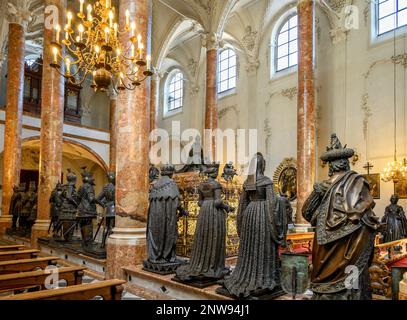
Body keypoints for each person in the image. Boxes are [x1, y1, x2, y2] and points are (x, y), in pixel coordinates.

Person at [302, 134, 380, 300]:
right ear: (347, 164)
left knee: (327, 285)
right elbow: (367, 215)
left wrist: (319, 203)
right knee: (353, 279)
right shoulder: (357, 181)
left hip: (325, 250)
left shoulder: (322, 186)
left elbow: (306, 212)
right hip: (351, 246)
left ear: (331, 167)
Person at [220, 153, 289, 298]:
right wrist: (282, 201)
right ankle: (264, 277)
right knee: (263, 244)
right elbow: (272, 203)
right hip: (263, 216)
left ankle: (247, 274)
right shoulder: (266, 181)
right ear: (262, 165)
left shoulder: (247, 182)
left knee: (250, 245)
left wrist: (241, 223)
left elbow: (242, 205)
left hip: (249, 214)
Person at [176, 163, 234, 283]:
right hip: (214, 212)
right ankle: (212, 265)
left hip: (204, 212)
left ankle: (201, 262)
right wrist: (227, 207)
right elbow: (218, 202)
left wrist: (206, 205)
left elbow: (199, 202)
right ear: (215, 173)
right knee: (214, 237)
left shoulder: (202, 185)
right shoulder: (215, 184)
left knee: (203, 237)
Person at [144, 164, 187, 273]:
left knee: (157, 234)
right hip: (167, 217)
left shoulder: (155, 185)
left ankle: (155, 256)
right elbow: (177, 203)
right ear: (171, 173)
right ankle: (167, 256)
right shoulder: (171, 184)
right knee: (168, 233)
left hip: (155, 217)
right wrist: (183, 211)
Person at [96, 172, 116, 248]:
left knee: (106, 227)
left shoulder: (106, 187)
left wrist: (104, 205)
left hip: (107, 208)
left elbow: (97, 199)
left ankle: (102, 244)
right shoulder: (115, 187)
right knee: (111, 227)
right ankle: (111, 245)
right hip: (113, 208)